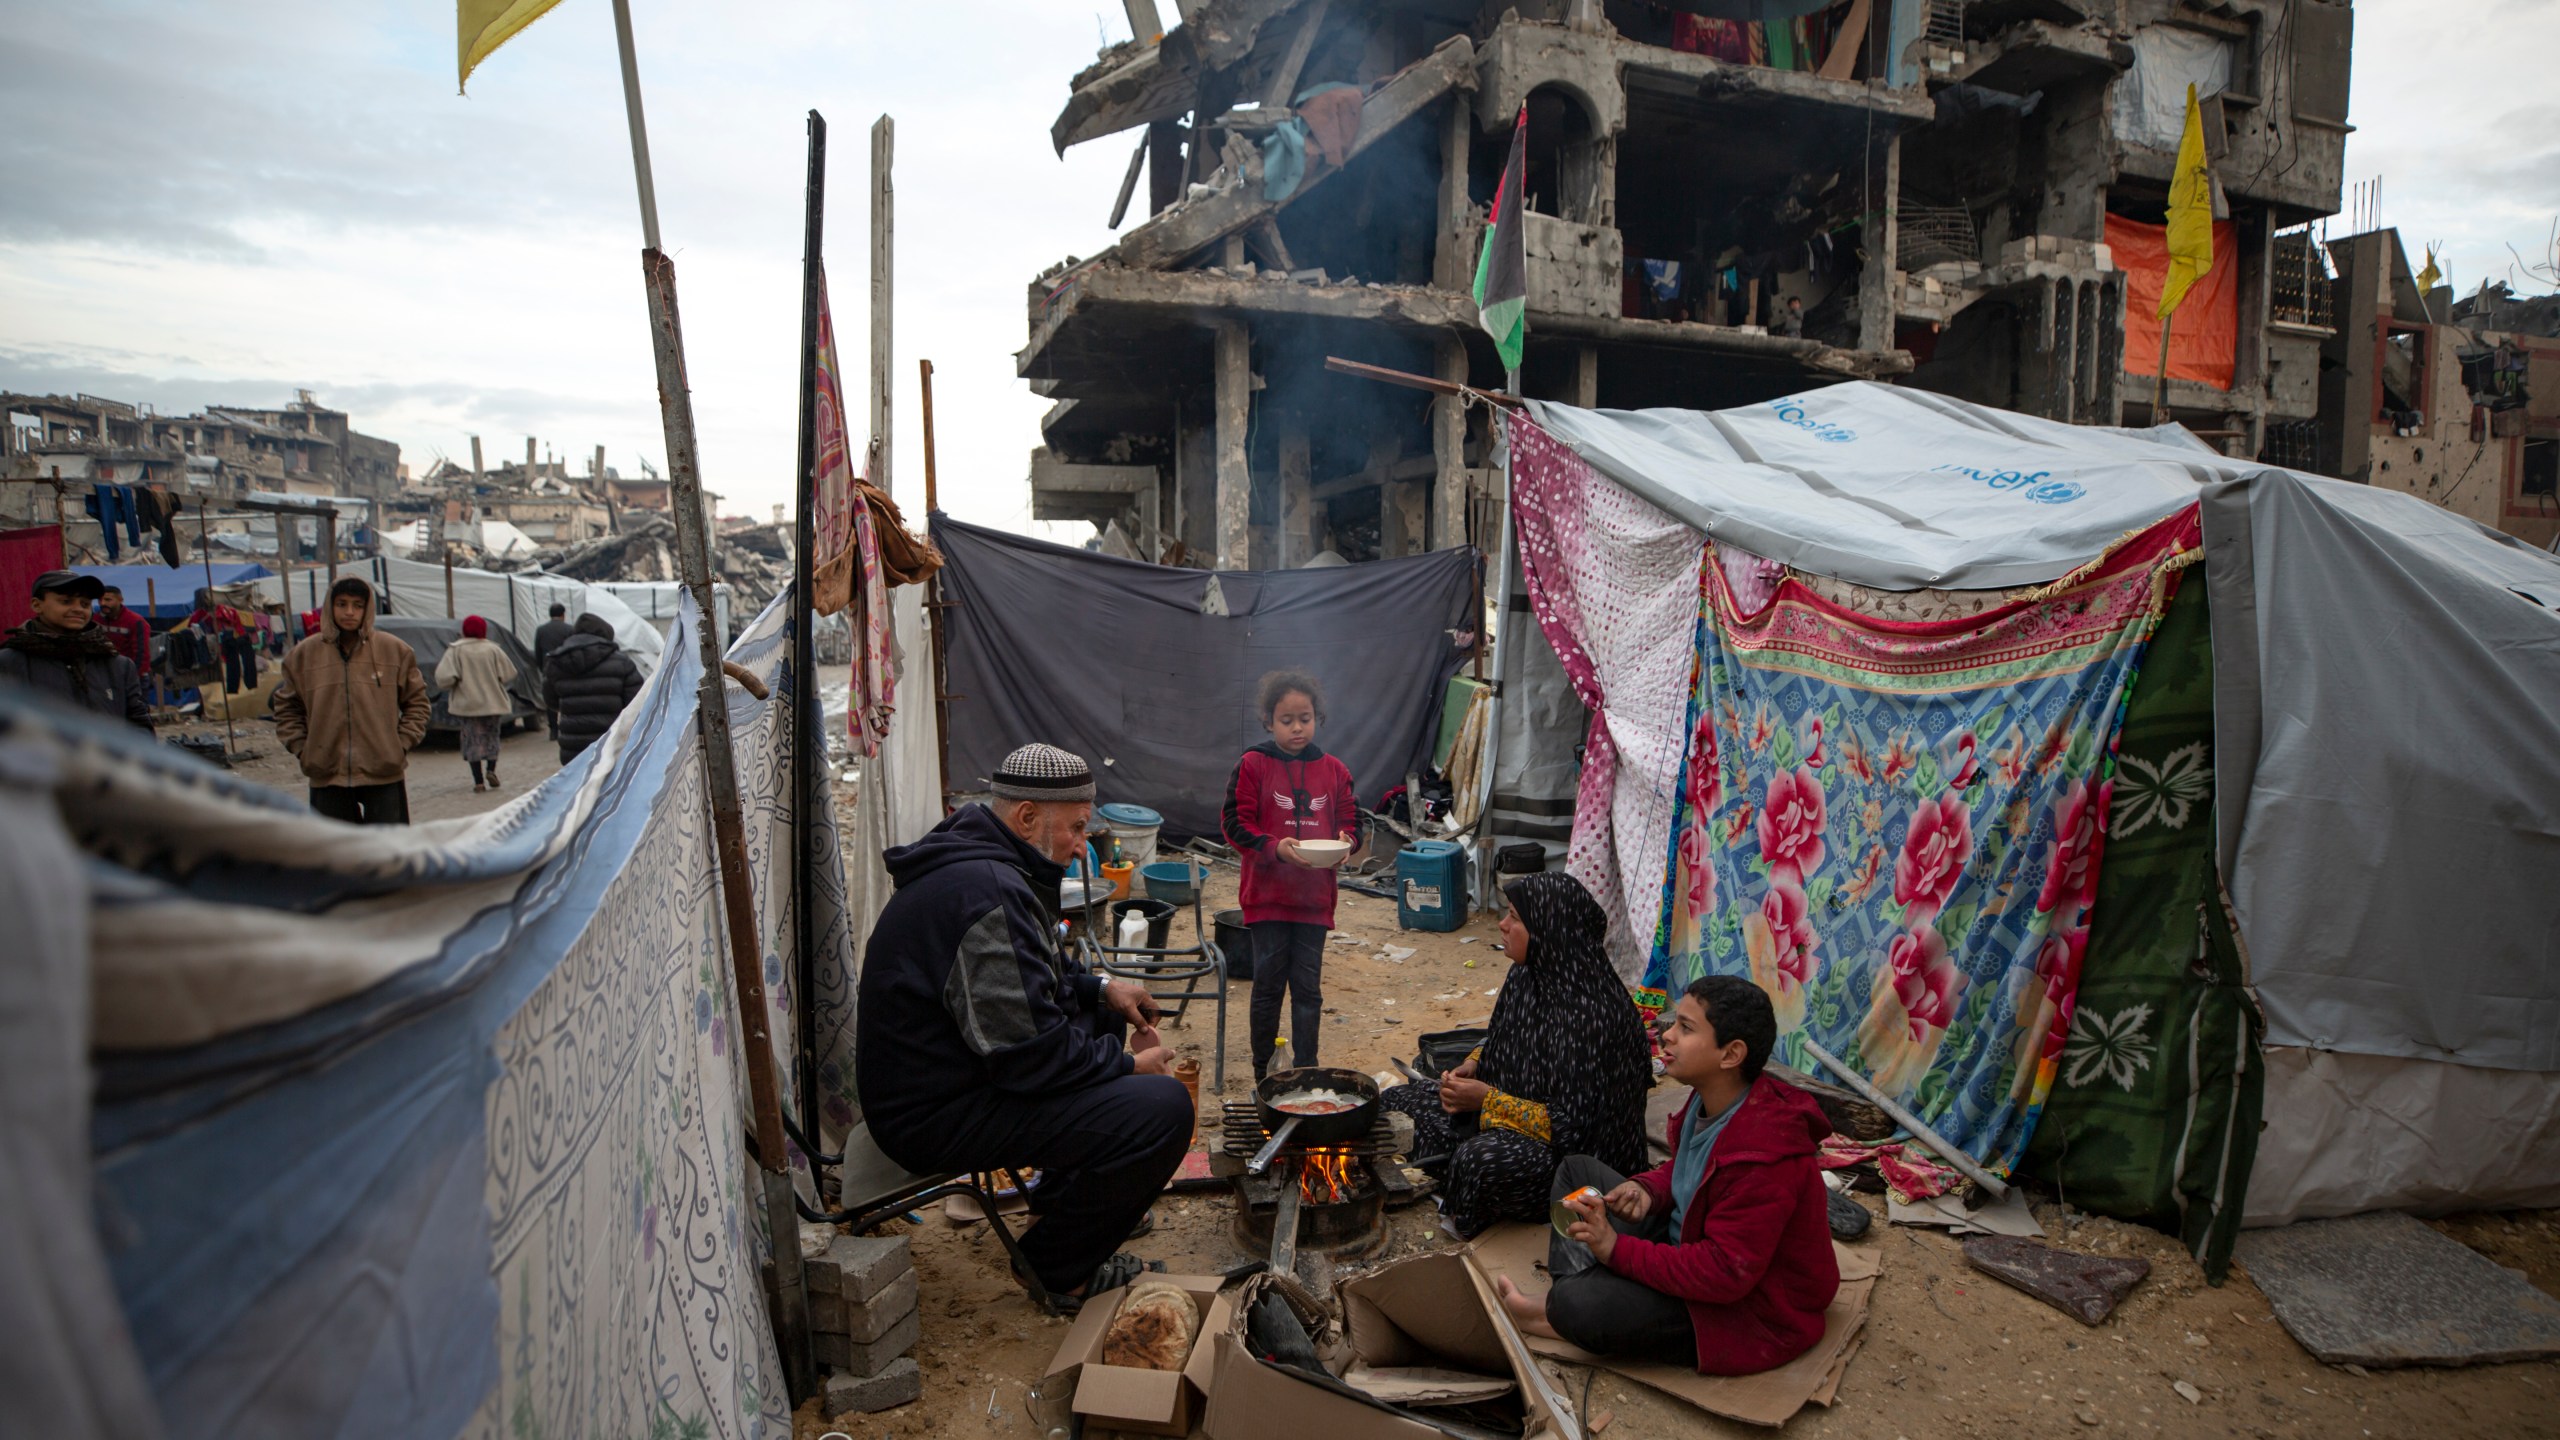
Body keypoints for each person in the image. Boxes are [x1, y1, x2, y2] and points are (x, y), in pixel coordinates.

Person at [856, 743, 1190, 1312]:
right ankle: (1059, 1270)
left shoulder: (991, 861)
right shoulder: (984, 892)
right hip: (931, 1113)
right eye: (1077, 829)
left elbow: (1034, 983)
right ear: (1028, 817)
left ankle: (1058, 1210)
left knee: (1104, 1016)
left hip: (957, 1072)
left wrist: (1103, 989)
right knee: (1162, 1110)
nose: (1082, 845)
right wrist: (1128, 1067)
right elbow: (1029, 1054)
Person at [1496, 975, 1841, 1376]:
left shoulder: (1763, 1158)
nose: (1668, 1034)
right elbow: (1690, 1167)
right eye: (1674, 1021)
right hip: (1691, 1237)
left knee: (1580, 1303)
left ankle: (1562, 1306)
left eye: (1686, 1028)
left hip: (1750, 1310)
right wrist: (1649, 1189)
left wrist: (1616, 1251)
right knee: (1577, 1171)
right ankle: (1573, 1297)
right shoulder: (1711, 1096)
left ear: (1730, 1055)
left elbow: (1725, 1274)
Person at [1380, 872, 1652, 1237]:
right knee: (1396, 1101)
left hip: (1574, 1155)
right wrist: (1474, 1062)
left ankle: (1465, 1190)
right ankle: (1457, 1174)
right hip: (1507, 1111)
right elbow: (1499, 1034)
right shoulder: (1526, 974)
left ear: (1549, 930)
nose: (1503, 925)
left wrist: (1487, 1100)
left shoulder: (1593, 1017)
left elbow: (1572, 1128)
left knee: (1481, 1161)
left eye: (1516, 918)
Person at [1221, 669, 1360, 1079]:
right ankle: (1264, 1071)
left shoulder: (1334, 770)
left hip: (1314, 901)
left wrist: (1346, 842)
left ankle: (1306, 1070)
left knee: (1308, 990)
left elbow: (1352, 821)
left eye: (1306, 718)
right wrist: (1274, 848)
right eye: (1287, 720)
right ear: (1268, 720)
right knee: (1266, 987)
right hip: (1267, 898)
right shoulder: (1253, 764)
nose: (1298, 727)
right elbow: (1234, 822)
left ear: (1317, 717)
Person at [272, 576, 430, 825]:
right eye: (341, 604)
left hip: (383, 773)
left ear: (367, 609)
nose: (349, 612)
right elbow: (286, 707)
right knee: (338, 858)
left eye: (357, 605)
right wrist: (304, 749)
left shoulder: (395, 651)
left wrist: (399, 745)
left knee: (388, 855)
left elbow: (417, 703)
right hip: (327, 774)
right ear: (329, 606)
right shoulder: (304, 654)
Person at [0, 571, 151, 731]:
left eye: (85, 604)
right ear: (37, 605)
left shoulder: (118, 666)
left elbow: (140, 728)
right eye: (66, 601)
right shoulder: (10, 663)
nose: (78, 609)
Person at [545, 613, 642, 764]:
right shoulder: (622, 663)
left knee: (577, 785)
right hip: (610, 743)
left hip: (572, 747)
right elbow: (636, 703)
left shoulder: (555, 662)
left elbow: (550, 701)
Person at [435, 615, 516, 793]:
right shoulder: (493, 650)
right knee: (491, 738)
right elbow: (509, 673)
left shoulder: (455, 651)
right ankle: (491, 770)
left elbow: (443, 678)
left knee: (472, 742)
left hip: (467, 705)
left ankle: (478, 782)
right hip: (492, 703)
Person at [188, 587, 256, 695]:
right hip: (224, 641)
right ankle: (246, 686)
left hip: (224, 641)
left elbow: (235, 626)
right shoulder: (207, 614)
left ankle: (238, 688)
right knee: (237, 663)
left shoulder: (216, 613)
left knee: (235, 664)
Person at [532, 602, 575, 737]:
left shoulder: (541, 630)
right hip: (566, 669)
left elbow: (537, 651)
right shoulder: (569, 629)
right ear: (563, 615)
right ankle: (567, 725)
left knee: (550, 697)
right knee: (566, 697)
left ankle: (553, 730)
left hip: (548, 667)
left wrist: (541, 666)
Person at [93, 585, 151, 671]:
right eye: (100, 600)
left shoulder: (135, 621)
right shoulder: (95, 619)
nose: (102, 603)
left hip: (128, 672)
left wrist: (134, 675)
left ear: (120, 600)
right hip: (104, 672)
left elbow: (141, 655)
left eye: (108, 600)